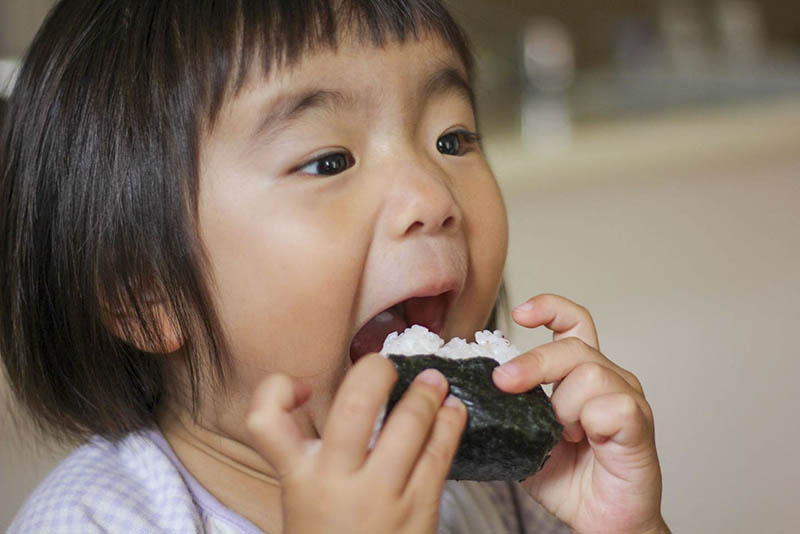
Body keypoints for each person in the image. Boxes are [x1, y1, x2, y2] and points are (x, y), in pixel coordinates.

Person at [0, 1, 669, 533]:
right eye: (328, 161)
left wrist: (624, 527)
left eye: (452, 139)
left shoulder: (500, 490)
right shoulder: (95, 520)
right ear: (144, 293)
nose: (432, 198)